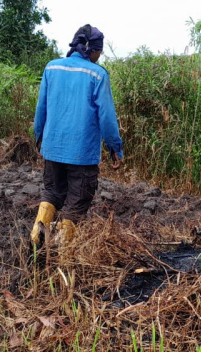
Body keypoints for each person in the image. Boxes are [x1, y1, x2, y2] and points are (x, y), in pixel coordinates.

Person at [30, 24, 123, 248]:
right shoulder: (97, 74)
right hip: (82, 154)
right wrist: (114, 148)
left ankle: (36, 240)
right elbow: (107, 117)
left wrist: (39, 137)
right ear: (93, 50)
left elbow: (40, 108)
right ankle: (64, 256)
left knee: (51, 192)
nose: (100, 56)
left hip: (52, 148)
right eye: (100, 51)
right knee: (77, 200)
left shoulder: (51, 68)